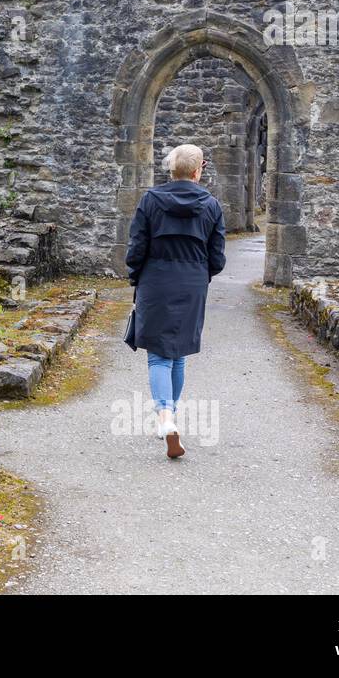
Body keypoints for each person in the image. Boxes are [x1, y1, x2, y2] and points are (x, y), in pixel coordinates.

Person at [124, 143, 226, 458]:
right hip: (192, 283)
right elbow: (217, 257)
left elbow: (137, 245)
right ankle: (172, 416)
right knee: (178, 354)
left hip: (156, 281)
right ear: (198, 171)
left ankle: (165, 416)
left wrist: (136, 274)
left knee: (158, 356)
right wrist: (200, 273)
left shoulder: (150, 201)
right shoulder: (211, 206)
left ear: (172, 170)